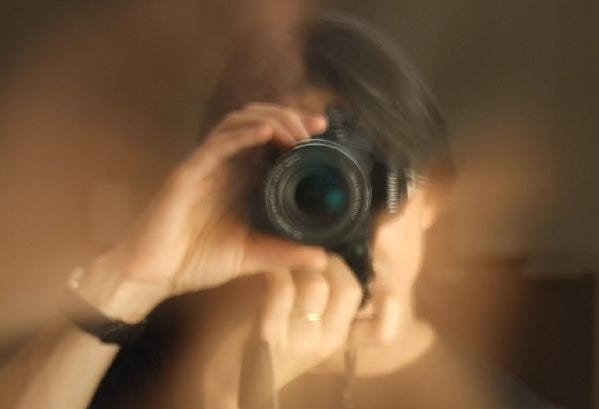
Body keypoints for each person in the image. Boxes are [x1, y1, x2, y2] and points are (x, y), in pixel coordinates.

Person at [113, 13, 557, 409]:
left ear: (432, 196)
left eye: (372, 182)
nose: (343, 217)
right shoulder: (138, 366)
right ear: (242, 198)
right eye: (307, 186)